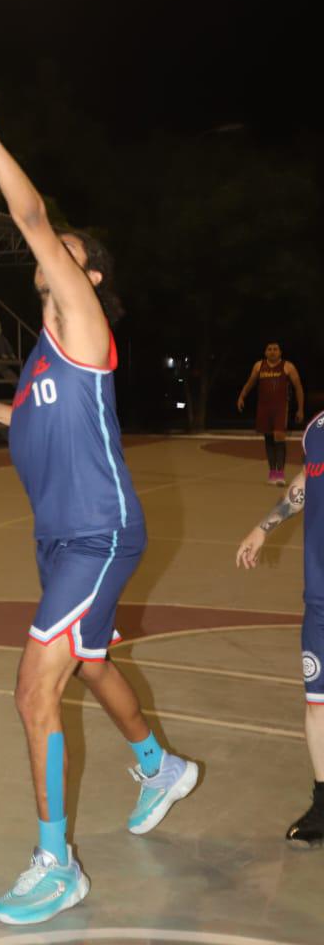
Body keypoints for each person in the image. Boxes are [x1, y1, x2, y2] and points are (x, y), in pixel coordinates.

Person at [0, 57, 197, 927]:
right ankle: (160, 764)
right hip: (62, 537)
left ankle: (57, 862)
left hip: (95, 532)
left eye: (71, 256)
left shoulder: (84, 323)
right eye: (56, 256)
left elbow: (31, 215)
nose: (56, 254)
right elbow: (47, 420)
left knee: (31, 690)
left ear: (85, 280)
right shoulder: (45, 358)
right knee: (89, 660)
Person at [236, 410, 324, 846]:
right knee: (318, 704)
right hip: (320, 598)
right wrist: (263, 528)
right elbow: (307, 483)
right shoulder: (318, 429)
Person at [237, 342, 305, 484]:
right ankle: (272, 473)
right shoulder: (258, 366)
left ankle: (280, 473)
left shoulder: (288, 366)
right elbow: (250, 383)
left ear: (280, 352)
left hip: (281, 408)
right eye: (269, 349)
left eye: (275, 349)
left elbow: (298, 388)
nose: (272, 352)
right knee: (268, 439)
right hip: (264, 408)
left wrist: (300, 409)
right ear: (265, 352)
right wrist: (242, 396)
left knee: (279, 438)